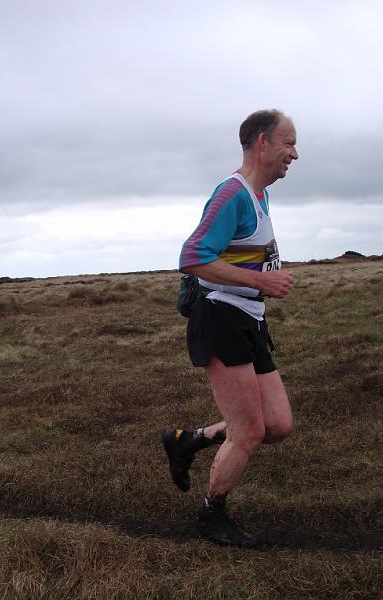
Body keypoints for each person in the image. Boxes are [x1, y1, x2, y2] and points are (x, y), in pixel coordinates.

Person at [162, 109, 298, 547]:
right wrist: (261, 280)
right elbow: (193, 255)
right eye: (288, 143)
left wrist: (259, 283)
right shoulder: (231, 194)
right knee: (250, 431)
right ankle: (210, 515)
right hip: (220, 318)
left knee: (277, 424)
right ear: (262, 142)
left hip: (249, 320)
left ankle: (189, 441)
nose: (294, 153)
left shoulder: (260, 196)